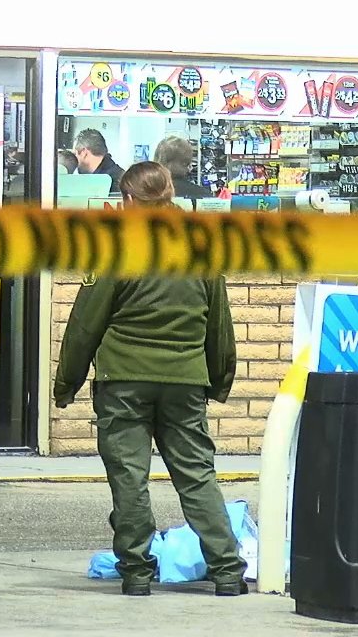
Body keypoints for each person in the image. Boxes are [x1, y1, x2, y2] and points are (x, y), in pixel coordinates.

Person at [53, 161, 247, 598]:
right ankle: (228, 572)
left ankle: (137, 573)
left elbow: (86, 323)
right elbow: (219, 322)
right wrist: (219, 379)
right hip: (184, 383)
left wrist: (67, 383)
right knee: (197, 476)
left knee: (130, 478)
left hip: (124, 382)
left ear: (127, 199)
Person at [74, 128, 125, 193]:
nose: (74, 160)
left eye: (75, 154)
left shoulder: (108, 185)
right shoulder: (120, 176)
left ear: (84, 152)